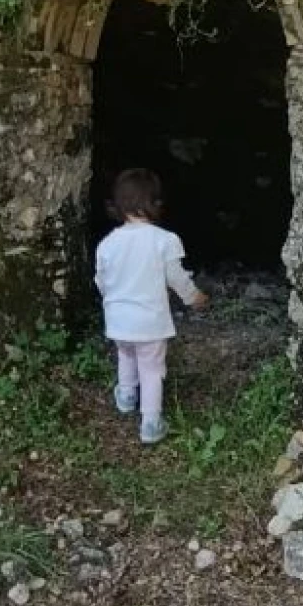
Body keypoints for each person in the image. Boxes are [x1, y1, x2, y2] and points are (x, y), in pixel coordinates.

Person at [95, 167, 208, 445]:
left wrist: (116, 300)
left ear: (118, 205)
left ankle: (126, 395)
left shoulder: (107, 244)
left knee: (127, 355)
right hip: (150, 322)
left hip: (118, 320)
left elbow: (101, 281)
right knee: (151, 368)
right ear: (156, 203)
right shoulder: (164, 240)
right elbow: (177, 278)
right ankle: (151, 423)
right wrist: (194, 297)